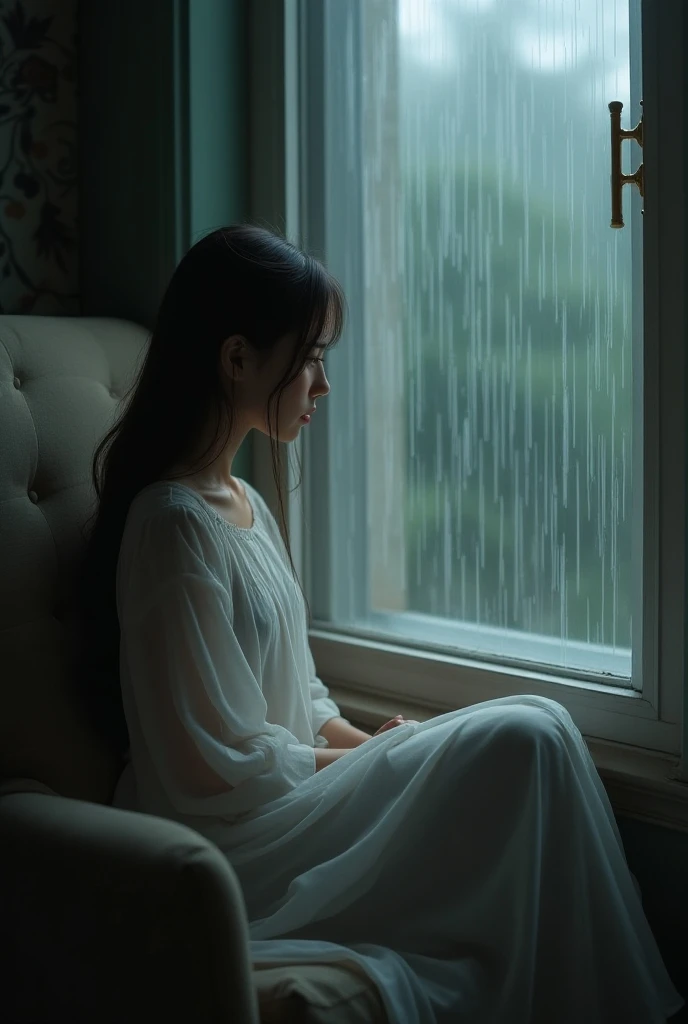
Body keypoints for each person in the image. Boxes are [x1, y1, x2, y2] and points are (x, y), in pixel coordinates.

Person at [72, 225, 683, 1023]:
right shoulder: (170, 525)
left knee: (542, 729)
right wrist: (380, 761)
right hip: (236, 839)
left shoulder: (247, 507)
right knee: (529, 734)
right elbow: (210, 761)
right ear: (237, 359)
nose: (322, 384)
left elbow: (304, 694)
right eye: (312, 355)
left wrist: (372, 743)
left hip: (290, 797)